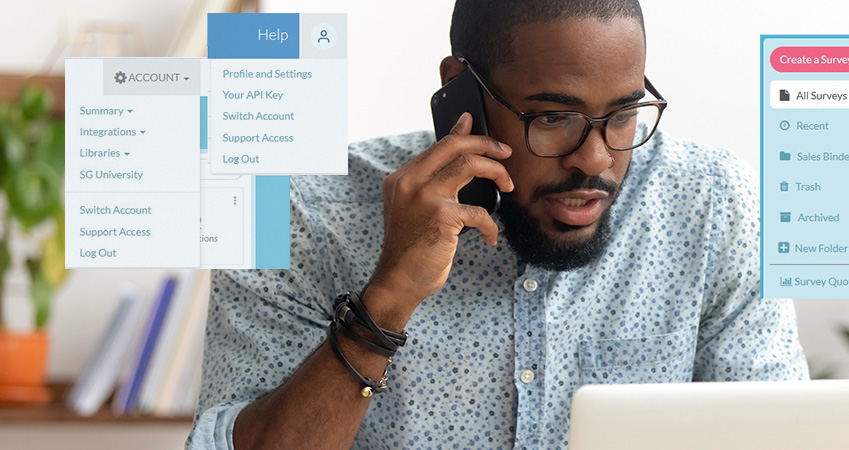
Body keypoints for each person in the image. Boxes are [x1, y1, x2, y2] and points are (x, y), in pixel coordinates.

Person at [188, 1, 808, 449]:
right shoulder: (300, 215)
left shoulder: (714, 206)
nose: (594, 160)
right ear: (462, 93)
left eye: (622, 116)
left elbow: (786, 436)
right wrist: (388, 299)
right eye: (553, 118)